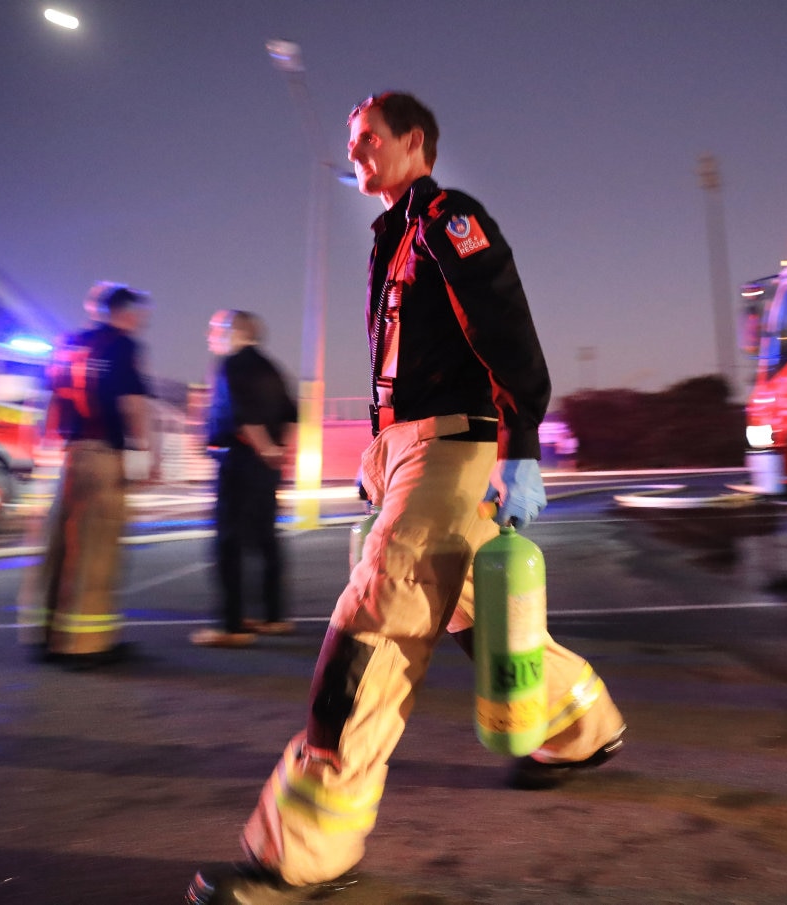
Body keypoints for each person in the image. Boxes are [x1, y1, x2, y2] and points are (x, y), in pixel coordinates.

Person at [187, 92, 626, 903]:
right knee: (473, 612)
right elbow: (410, 366)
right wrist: (384, 455)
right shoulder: (394, 236)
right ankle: (581, 725)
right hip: (416, 452)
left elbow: (507, 333)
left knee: (374, 625)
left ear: (413, 141)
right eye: (352, 145)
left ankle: (306, 848)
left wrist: (520, 446)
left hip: (457, 450)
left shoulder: (448, 218)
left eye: (366, 142)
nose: (354, 156)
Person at [17, 282, 152, 669]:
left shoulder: (67, 344)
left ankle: (42, 634)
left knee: (57, 547)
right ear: (125, 312)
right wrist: (140, 454)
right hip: (102, 455)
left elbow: (49, 402)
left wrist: (46, 449)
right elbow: (132, 404)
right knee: (95, 553)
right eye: (138, 313)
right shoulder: (121, 345)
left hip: (67, 455)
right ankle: (85, 644)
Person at [192, 309, 297, 648]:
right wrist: (280, 451)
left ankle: (231, 624)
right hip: (266, 467)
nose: (210, 335)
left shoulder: (232, 365)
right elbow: (291, 414)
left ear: (231, 331)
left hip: (239, 462)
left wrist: (264, 449)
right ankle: (273, 617)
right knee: (266, 539)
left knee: (229, 542)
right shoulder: (272, 367)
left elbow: (243, 417)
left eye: (214, 329)